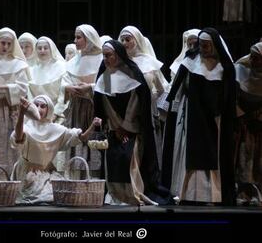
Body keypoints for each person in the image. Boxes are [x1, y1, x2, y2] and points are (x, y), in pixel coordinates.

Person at [162, 28, 236, 206]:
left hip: (214, 119)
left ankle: (213, 195)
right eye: (201, 45)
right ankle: (189, 194)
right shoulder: (190, 61)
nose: (202, 48)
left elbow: (229, 95)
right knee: (192, 154)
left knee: (213, 154)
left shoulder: (224, 66)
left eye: (206, 45)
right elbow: (176, 89)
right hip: (192, 116)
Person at [94, 40, 169, 205]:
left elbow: (135, 103)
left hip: (132, 128)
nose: (105, 59)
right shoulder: (105, 77)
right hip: (114, 129)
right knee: (113, 162)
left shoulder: (132, 74)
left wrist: (125, 127)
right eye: (104, 56)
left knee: (129, 160)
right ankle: (115, 195)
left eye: (109, 55)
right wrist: (115, 126)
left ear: (118, 55)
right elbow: (106, 103)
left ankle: (132, 194)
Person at [10, 95, 101, 204]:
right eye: (36, 105)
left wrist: (92, 126)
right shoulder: (27, 127)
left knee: (57, 195)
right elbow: (18, 137)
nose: (39, 109)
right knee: (36, 198)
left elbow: (79, 137)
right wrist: (21, 114)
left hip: (46, 173)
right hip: (27, 173)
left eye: (43, 106)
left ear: (49, 109)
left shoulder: (55, 129)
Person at [119, 26, 169, 172]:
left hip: (147, 109)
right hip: (125, 109)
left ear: (137, 40)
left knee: (148, 144)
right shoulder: (119, 63)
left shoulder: (149, 62)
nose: (124, 43)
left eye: (128, 39)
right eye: (122, 40)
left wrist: (154, 106)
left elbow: (161, 89)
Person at [0, 27, 30, 175]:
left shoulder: (18, 64)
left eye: (9, 44)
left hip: (11, 110)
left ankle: (12, 178)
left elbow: (23, 89)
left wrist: (3, 86)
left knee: (11, 146)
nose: (5, 47)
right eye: (3, 43)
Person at [60, 24, 103, 179]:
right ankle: (75, 180)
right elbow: (63, 82)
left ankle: (93, 181)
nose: (75, 41)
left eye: (79, 37)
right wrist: (68, 88)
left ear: (89, 39)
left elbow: (108, 84)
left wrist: (89, 88)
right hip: (76, 108)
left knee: (93, 144)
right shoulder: (73, 61)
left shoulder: (102, 59)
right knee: (77, 141)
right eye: (75, 37)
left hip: (93, 108)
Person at [234, 41, 262, 206]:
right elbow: (233, 96)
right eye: (252, 57)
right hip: (244, 122)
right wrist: (242, 115)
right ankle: (244, 192)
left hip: (259, 122)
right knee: (244, 158)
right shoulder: (240, 68)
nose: (252, 61)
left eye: (257, 58)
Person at [29, 36, 66, 123]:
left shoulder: (62, 67)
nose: (42, 51)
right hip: (36, 115)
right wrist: (34, 111)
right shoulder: (31, 70)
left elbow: (64, 93)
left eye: (45, 48)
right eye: (39, 48)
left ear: (51, 49)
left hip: (57, 115)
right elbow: (29, 94)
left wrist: (55, 113)